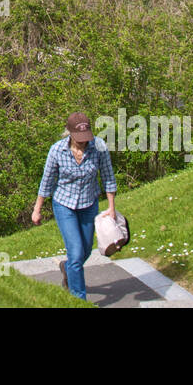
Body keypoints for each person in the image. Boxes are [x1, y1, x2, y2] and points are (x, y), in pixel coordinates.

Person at [32, 112, 117, 301]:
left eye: (86, 137)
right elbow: (46, 181)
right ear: (69, 133)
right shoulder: (56, 151)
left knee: (86, 250)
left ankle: (67, 267)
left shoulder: (99, 147)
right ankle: (79, 299)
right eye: (79, 138)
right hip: (64, 206)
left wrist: (111, 208)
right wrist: (37, 209)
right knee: (77, 252)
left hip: (89, 204)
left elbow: (108, 177)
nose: (83, 142)